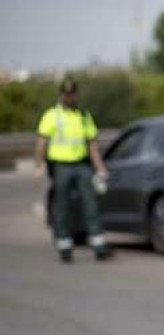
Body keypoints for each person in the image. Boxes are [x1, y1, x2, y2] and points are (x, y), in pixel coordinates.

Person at [33, 80, 110, 263]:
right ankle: (65, 246)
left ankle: (98, 244)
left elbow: (92, 144)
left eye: (72, 94)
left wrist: (100, 168)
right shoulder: (52, 116)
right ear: (61, 95)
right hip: (60, 166)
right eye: (66, 94)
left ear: (77, 95)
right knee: (62, 207)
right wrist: (39, 165)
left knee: (91, 204)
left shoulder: (84, 115)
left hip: (82, 166)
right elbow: (41, 142)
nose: (69, 97)